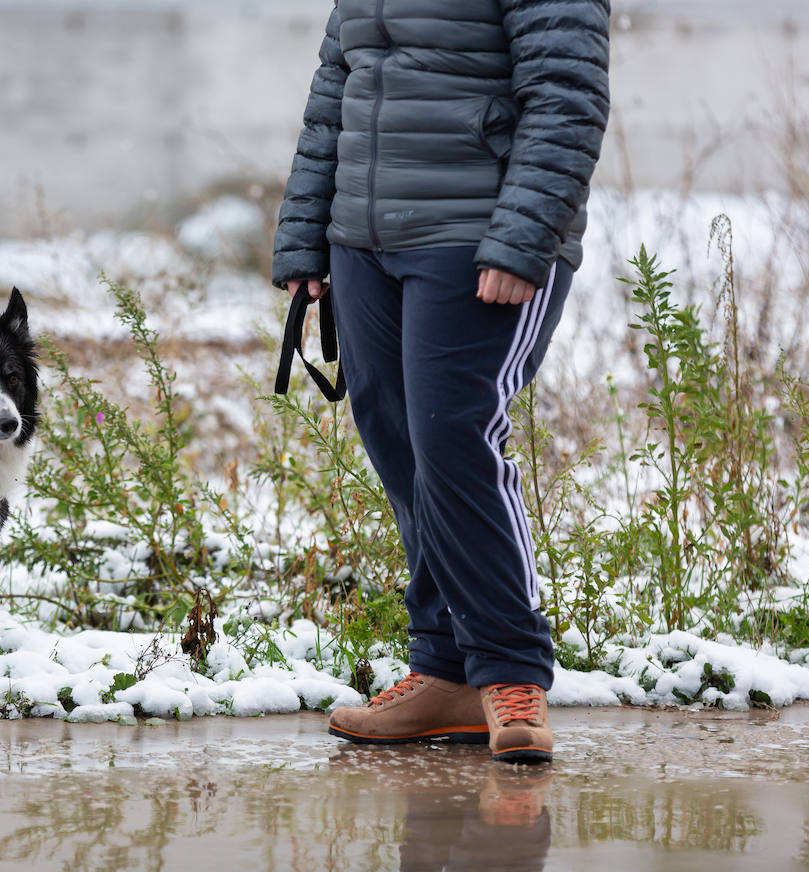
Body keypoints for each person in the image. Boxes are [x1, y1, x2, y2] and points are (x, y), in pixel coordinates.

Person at [271, 0, 610, 763]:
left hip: (477, 235)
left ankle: (513, 670)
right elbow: (336, 90)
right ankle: (447, 671)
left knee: (455, 440)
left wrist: (526, 238)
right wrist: (305, 234)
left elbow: (567, 91)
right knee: (400, 448)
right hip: (364, 241)